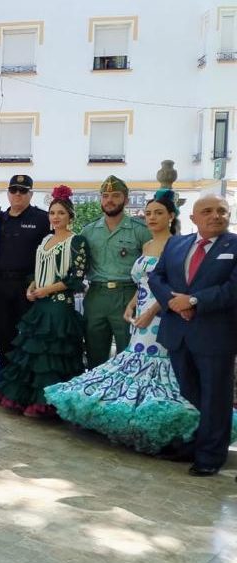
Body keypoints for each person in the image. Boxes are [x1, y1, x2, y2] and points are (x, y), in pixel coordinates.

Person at [46, 191, 217, 453]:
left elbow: (177, 286)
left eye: (158, 213)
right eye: (148, 213)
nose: (152, 218)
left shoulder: (179, 245)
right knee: (130, 361)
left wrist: (151, 311)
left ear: (171, 216)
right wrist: (134, 302)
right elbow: (146, 280)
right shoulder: (147, 246)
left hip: (163, 315)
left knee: (157, 367)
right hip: (139, 313)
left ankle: (166, 425)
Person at [148, 194, 237, 479]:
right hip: (178, 333)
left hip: (215, 336)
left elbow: (232, 289)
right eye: (208, 211)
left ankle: (210, 456)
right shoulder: (177, 244)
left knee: (215, 398)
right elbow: (156, 278)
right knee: (190, 394)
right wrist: (173, 301)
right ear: (193, 218)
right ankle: (194, 444)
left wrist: (194, 301)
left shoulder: (234, 245)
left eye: (222, 211)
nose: (216, 216)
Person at [0, 186, 88, 417]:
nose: (56, 217)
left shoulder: (77, 241)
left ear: (70, 217)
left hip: (59, 306)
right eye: (53, 213)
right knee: (34, 354)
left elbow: (74, 278)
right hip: (40, 305)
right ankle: (32, 400)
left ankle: (50, 404)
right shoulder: (46, 239)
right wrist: (32, 286)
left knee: (52, 356)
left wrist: (46, 290)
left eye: (61, 213)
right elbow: (37, 270)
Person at [81, 176, 152, 368]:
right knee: (95, 353)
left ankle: (124, 396)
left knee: (128, 352)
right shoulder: (88, 231)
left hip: (128, 295)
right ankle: (93, 395)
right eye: (105, 196)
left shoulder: (140, 230)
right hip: (96, 295)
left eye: (115, 195)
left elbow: (151, 267)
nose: (109, 200)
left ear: (126, 200)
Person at [0, 175, 51, 366]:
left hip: (28, 288)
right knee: (3, 336)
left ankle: (24, 385)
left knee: (29, 336)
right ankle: (4, 384)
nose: (18, 194)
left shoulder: (42, 219)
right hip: (2, 285)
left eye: (23, 191)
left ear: (30, 194)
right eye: (13, 190)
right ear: (8, 193)